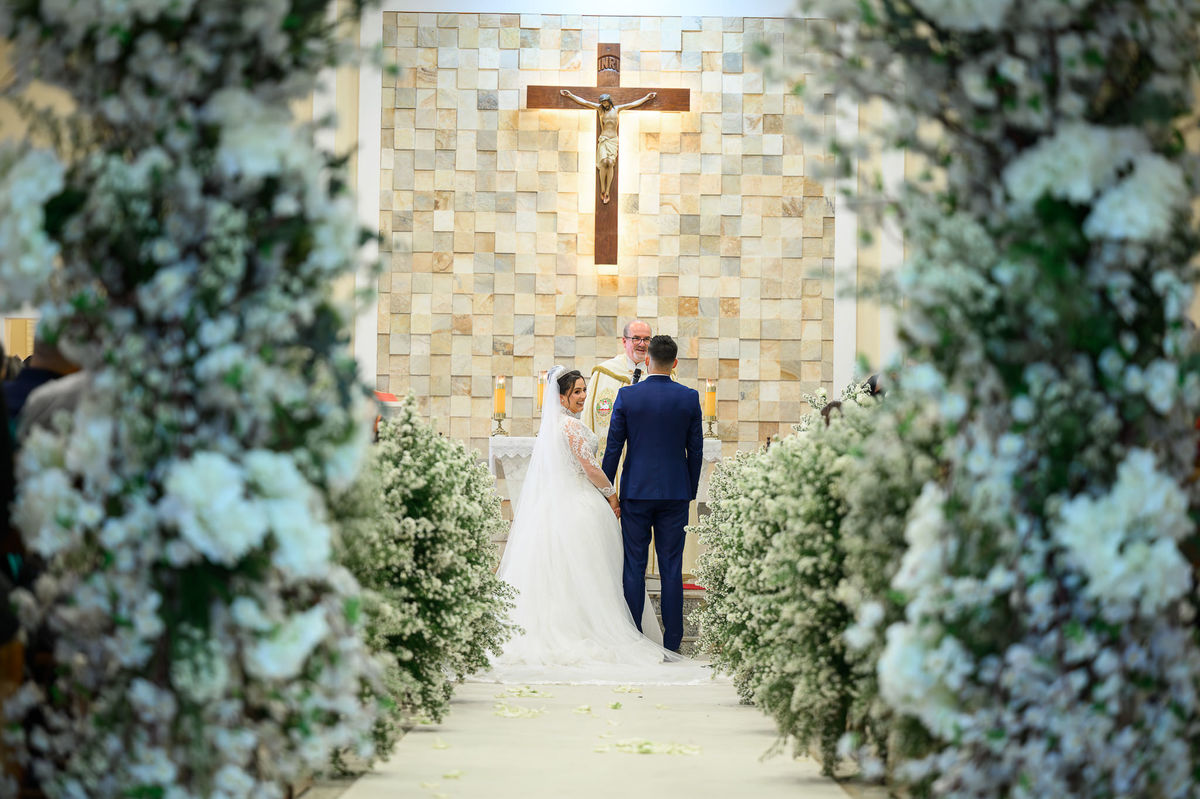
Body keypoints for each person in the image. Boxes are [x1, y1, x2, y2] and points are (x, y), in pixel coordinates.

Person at [485, 367, 705, 684]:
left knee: (575, 574)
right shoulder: (569, 427)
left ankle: (576, 623)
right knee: (587, 571)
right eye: (576, 392)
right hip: (579, 506)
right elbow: (590, 468)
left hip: (567, 503)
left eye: (584, 390)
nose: (583, 396)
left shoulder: (557, 427)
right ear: (560, 397)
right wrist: (612, 495)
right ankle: (586, 630)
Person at [602, 335, 703, 653]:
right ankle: (672, 643)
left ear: (647, 361)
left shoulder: (628, 396)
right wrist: (689, 489)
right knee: (671, 566)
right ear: (674, 364)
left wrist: (606, 489)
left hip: (636, 491)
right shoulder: (689, 397)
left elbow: (614, 446)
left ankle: (635, 640)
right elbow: (696, 450)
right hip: (675, 492)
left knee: (634, 564)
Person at [559, 90, 656, 204]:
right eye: (602, 103)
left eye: (605, 102)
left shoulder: (617, 109)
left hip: (613, 140)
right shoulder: (600, 110)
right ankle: (602, 189)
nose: (604, 104)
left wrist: (646, 98)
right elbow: (585, 102)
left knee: (610, 163)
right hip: (604, 138)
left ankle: (608, 191)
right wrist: (570, 95)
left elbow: (633, 104)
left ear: (609, 101)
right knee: (603, 162)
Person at [583, 320, 651, 463]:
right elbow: (587, 416)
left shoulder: (661, 375)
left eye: (646, 339)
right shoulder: (603, 373)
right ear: (624, 341)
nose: (642, 344)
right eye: (636, 338)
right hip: (611, 457)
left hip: (646, 457)